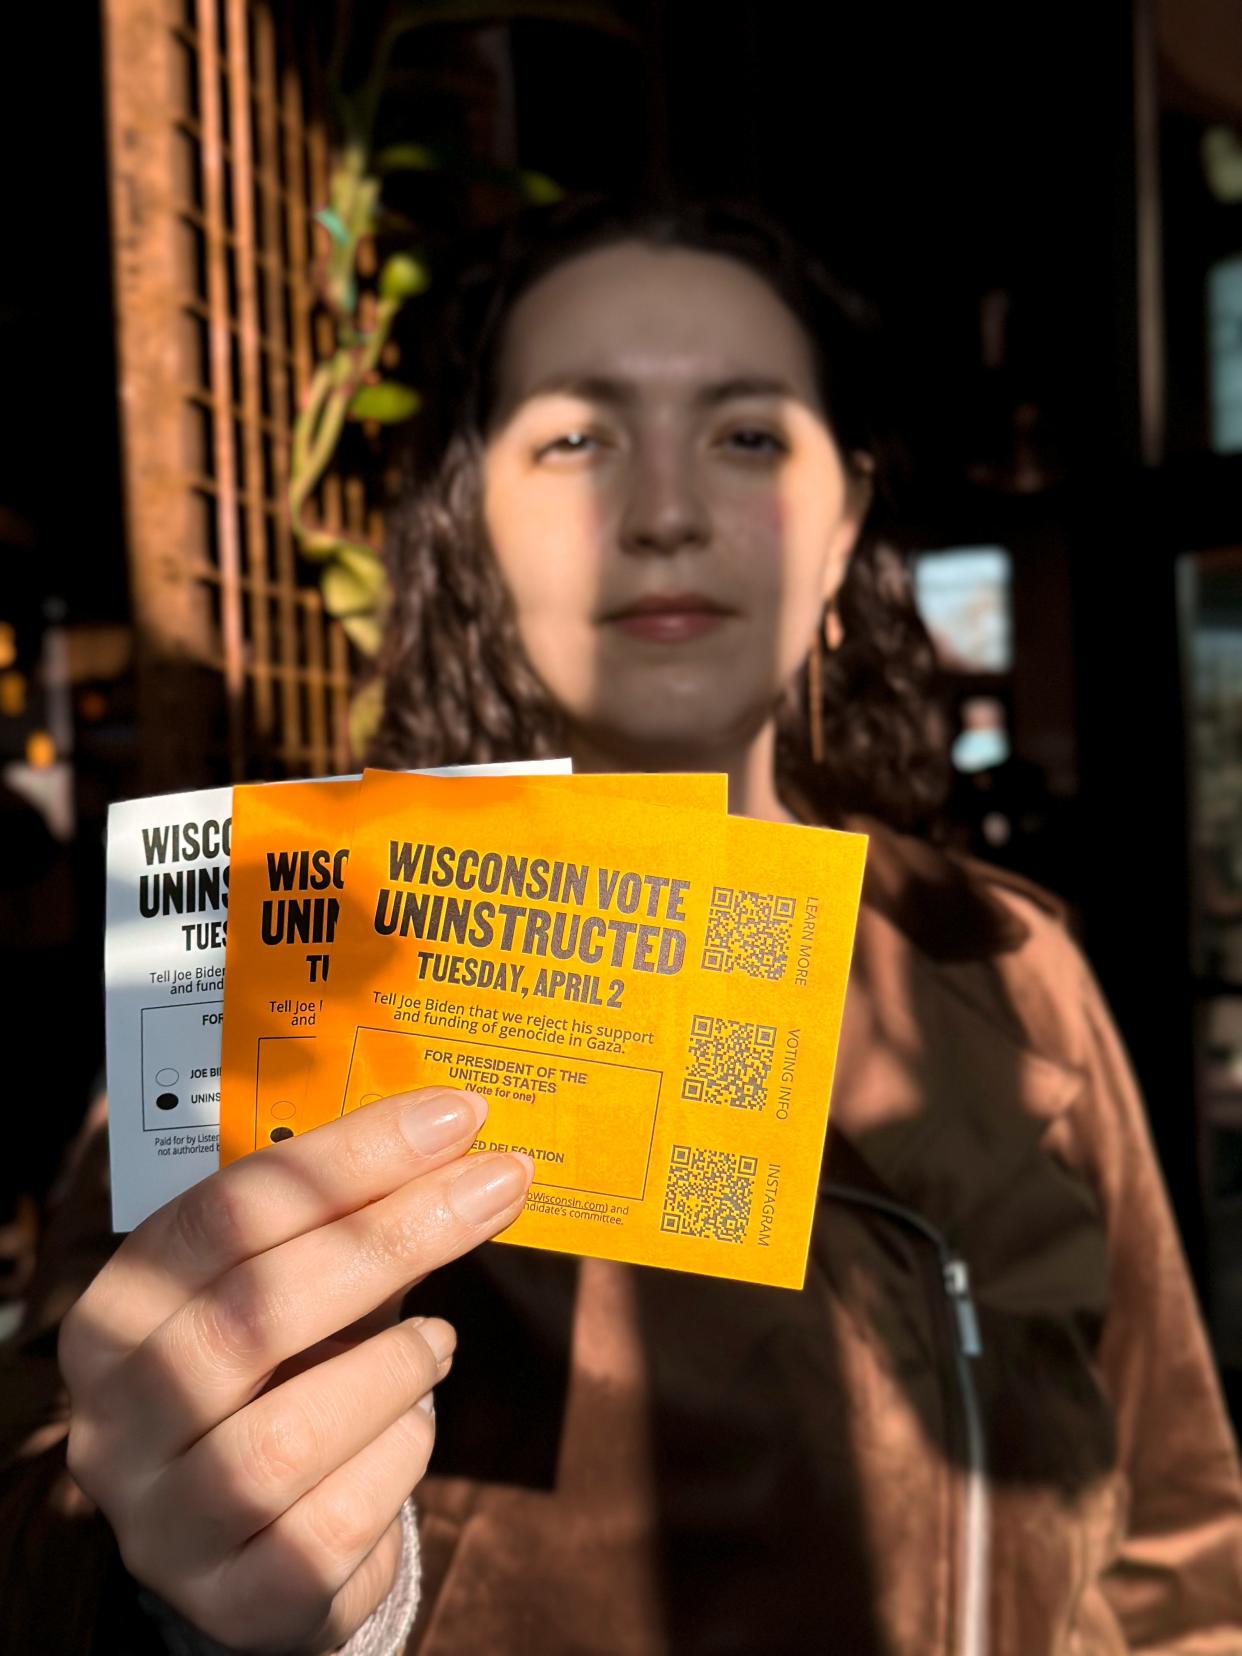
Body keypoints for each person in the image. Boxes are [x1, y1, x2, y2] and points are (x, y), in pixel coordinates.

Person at [2, 195, 1240, 1655]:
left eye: (745, 436)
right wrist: (195, 1585)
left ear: (843, 529)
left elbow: (1178, 1536)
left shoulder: (1007, 963)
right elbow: (48, 1504)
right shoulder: (296, 956)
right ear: (475, 532)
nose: (662, 511)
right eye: (576, 438)